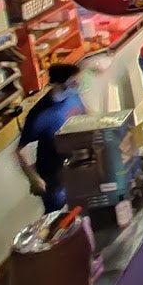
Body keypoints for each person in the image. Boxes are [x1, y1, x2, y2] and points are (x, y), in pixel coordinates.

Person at [15, 63, 85, 213]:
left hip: (76, 166)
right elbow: (20, 150)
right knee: (59, 219)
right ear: (58, 84)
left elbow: (86, 114)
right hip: (54, 178)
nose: (77, 86)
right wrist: (34, 179)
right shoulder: (39, 116)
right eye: (74, 83)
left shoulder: (73, 95)